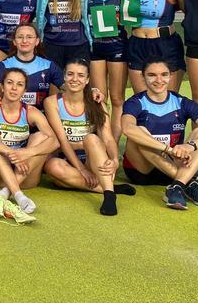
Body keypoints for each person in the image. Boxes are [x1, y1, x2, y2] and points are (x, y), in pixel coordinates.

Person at [122, 59, 198, 210]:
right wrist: (167, 149)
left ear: (170, 76)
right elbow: (127, 129)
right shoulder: (136, 102)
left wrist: (190, 146)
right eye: (152, 75)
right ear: (143, 77)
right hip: (142, 169)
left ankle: (177, 186)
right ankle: (189, 183)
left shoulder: (182, 102)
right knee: (140, 133)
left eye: (164, 74)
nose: (159, 80)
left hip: (171, 166)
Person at [43, 59, 135, 216]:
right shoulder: (52, 103)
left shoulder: (97, 102)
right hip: (69, 164)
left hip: (96, 162)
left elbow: (107, 139)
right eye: (70, 74)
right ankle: (107, 187)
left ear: (87, 80)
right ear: (64, 77)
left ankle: (109, 196)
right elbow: (62, 141)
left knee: (91, 139)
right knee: (52, 167)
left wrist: (113, 160)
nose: (74, 79)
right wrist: (82, 169)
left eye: (80, 75)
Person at [0, 68, 59, 214]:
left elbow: (54, 142)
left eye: (19, 84)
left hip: (24, 176)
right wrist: (11, 153)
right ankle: (19, 196)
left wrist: (27, 153)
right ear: (2, 86)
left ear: (24, 90)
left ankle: (6, 192)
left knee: (41, 137)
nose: (14, 88)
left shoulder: (30, 112)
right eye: (10, 83)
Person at [125, 0, 184, 93]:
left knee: (168, 101)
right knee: (143, 102)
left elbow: (193, 12)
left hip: (165, 45)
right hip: (137, 46)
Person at [87, 0, 128, 141]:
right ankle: (103, 141)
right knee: (100, 98)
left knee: (118, 99)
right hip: (95, 49)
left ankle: (114, 144)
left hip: (118, 47)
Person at [0, 23, 63, 111]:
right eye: (20, 37)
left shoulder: (48, 65)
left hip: (41, 117)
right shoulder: (4, 65)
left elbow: (64, 85)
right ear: (14, 42)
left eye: (29, 37)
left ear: (37, 41)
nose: (24, 41)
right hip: (12, 117)